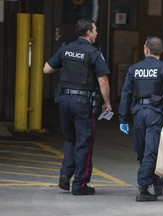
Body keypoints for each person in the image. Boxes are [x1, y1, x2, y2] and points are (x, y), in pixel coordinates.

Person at [43, 18, 112, 195]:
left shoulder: (65, 49)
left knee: (69, 140)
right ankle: (80, 185)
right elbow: (103, 80)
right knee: (84, 143)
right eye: (95, 30)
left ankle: (65, 177)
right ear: (88, 32)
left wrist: (65, 67)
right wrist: (107, 103)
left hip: (64, 101)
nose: (97, 33)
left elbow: (46, 69)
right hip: (82, 103)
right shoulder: (93, 52)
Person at [118, 36, 163, 202]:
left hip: (138, 112)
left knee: (143, 150)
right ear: (161, 51)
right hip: (155, 113)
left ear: (146, 49)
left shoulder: (134, 68)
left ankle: (150, 183)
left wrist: (123, 118)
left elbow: (125, 94)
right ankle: (146, 185)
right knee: (150, 151)